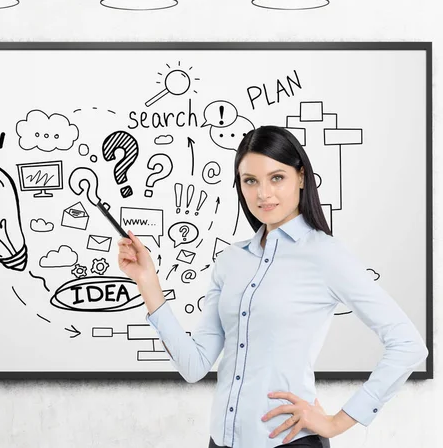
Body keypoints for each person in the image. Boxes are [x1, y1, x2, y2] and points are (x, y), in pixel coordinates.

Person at [117, 125, 429, 448]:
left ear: (301, 177)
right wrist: (147, 282)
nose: (263, 194)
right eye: (250, 181)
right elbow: (194, 366)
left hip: (288, 442)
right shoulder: (231, 260)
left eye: (276, 178)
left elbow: (408, 344)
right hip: (220, 441)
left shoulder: (324, 254)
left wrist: (337, 422)